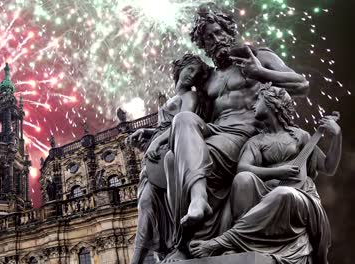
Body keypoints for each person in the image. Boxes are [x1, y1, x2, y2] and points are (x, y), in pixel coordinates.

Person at [162, 6, 310, 261]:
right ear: (203, 45)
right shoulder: (207, 79)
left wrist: (261, 73)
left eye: (218, 32)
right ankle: (195, 212)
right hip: (216, 130)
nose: (216, 39)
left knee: (184, 158)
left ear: (229, 32)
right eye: (208, 37)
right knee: (172, 152)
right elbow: (186, 108)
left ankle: (198, 227)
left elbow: (301, 84)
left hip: (246, 133)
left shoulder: (258, 56)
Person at [188, 84, 341, 264]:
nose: (253, 105)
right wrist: (278, 171)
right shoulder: (257, 141)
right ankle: (240, 245)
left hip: (299, 198)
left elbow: (329, 167)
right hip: (267, 194)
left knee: (283, 194)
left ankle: (223, 241)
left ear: (272, 103)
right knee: (243, 179)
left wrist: (337, 135)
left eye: (258, 100)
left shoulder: (301, 137)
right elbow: (243, 168)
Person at [127, 54, 212, 264]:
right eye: (189, 70)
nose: (190, 76)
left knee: (159, 205)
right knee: (145, 205)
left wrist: (156, 141)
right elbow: (163, 126)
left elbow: (183, 121)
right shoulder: (172, 100)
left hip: (173, 150)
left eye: (195, 74)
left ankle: (172, 246)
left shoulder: (190, 97)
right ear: (179, 69)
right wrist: (147, 133)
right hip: (156, 157)